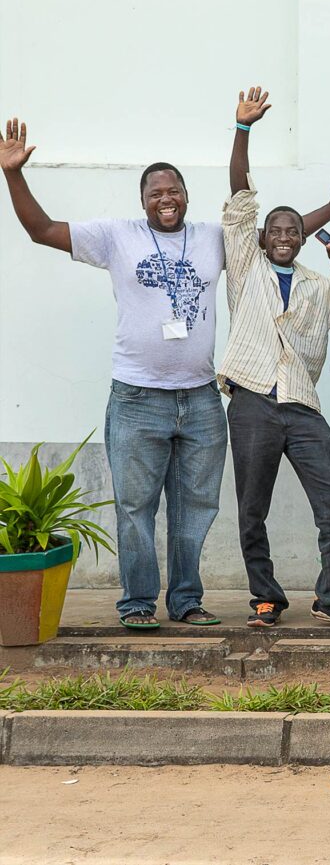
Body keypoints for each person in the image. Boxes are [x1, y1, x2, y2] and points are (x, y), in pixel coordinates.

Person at [2, 116, 243, 630]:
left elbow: (276, 235)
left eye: (174, 189)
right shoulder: (116, 236)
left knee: (195, 508)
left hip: (200, 399)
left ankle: (185, 600)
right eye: (156, 192)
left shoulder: (212, 238)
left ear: (186, 194)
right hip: (136, 398)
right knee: (136, 508)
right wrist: (13, 175)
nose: (166, 198)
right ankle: (136, 604)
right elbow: (41, 231)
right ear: (143, 200)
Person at [218, 88, 330, 630]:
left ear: (303, 240)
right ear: (261, 239)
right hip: (253, 398)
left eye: (292, 231)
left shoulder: (317, 286)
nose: (283, 237)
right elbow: (241, 198)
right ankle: (265, 596)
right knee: (251, 505)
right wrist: (243, 130)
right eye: (274, 232)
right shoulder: (245, 267)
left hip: (301, 404)